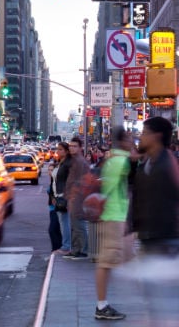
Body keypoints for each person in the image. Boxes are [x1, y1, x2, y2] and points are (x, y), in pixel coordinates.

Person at [130, 116, 179, 326]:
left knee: (164, 297)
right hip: (150, 237)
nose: (140, 136)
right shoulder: (148, 161)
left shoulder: (168, 163)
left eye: (144, 132)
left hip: (165, 239)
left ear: (156, 136)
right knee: (152, 294)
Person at [93, 126, 133, 321]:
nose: (133, 142)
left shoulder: (113, 160)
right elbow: (137, 161)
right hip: (112, 215)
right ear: (123, 141)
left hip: (114, 215)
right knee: (105, 261)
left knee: (110, 260)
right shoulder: (120, 161)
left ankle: (102, 303)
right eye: (130, 138)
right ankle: (101, 305)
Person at [64, 136, 90, 260]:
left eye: (74, 146)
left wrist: (74, 196)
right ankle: (75, 249)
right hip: (73, 197)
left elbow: (80, 182)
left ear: (80, 148)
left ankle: (82, 250)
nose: (71, 148)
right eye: (70, 146)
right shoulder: (75, 161)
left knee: (78, 224)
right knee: (74, 224)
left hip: (78, 198)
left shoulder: (80, 162)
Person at [49, 141, 71, 254]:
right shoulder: (60, 163)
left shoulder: (68, 163)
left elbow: (69, 181)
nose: (58, 151)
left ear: (66, 151)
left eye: (60, 149)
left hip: (64, 196)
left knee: (65, 222)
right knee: (62, 222)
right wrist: (53, 196)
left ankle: (67, 246)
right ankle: (65, 244)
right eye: (57, 149)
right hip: (57, 196)